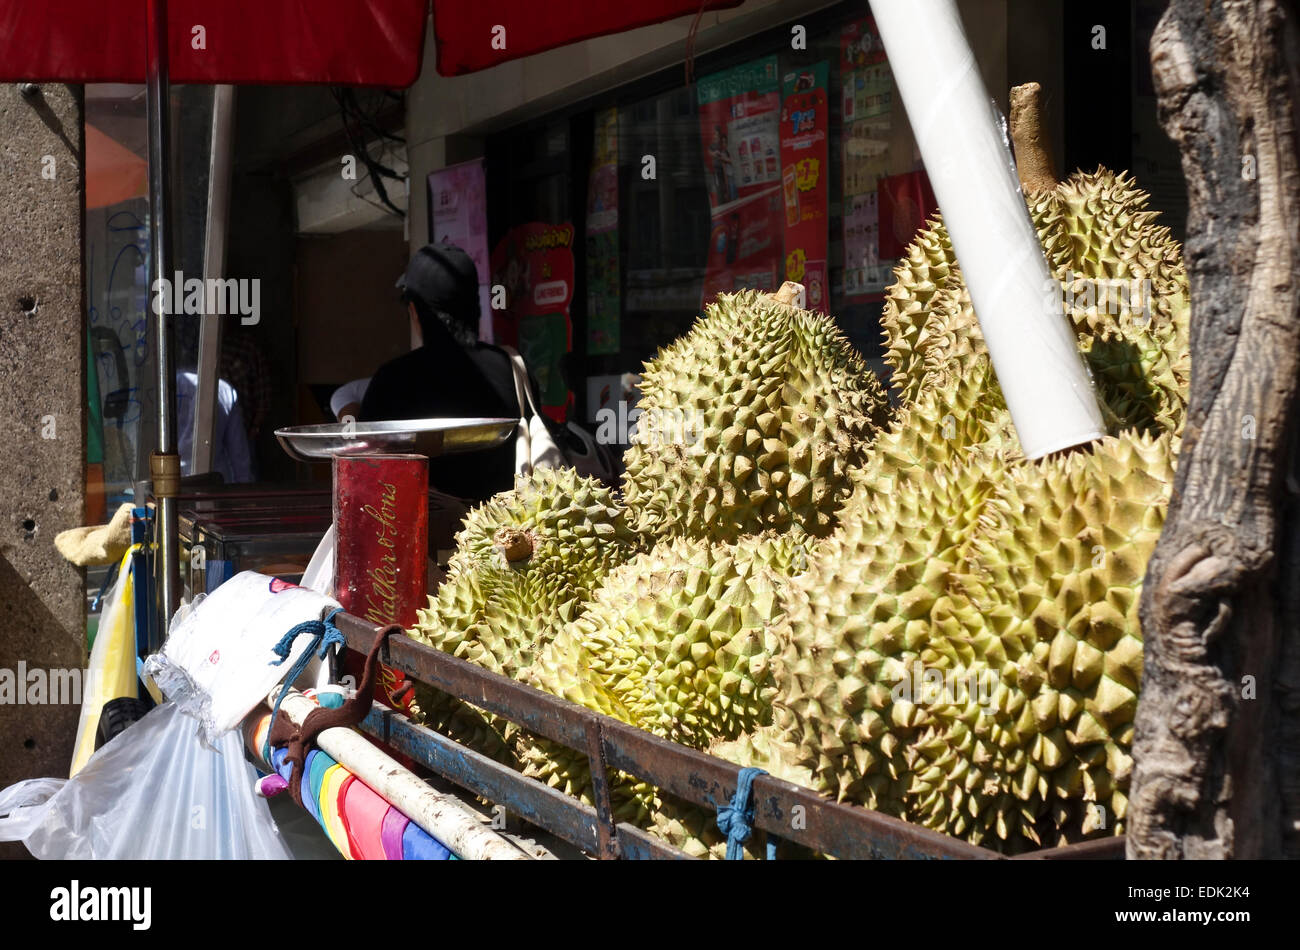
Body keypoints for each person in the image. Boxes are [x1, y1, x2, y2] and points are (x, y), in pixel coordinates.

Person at [359, 243, 525, 500]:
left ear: (415, 312)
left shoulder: (392, 381)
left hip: (420, 536)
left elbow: (366, 472)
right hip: (507, 533)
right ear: (475, 306)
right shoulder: (512, 368)